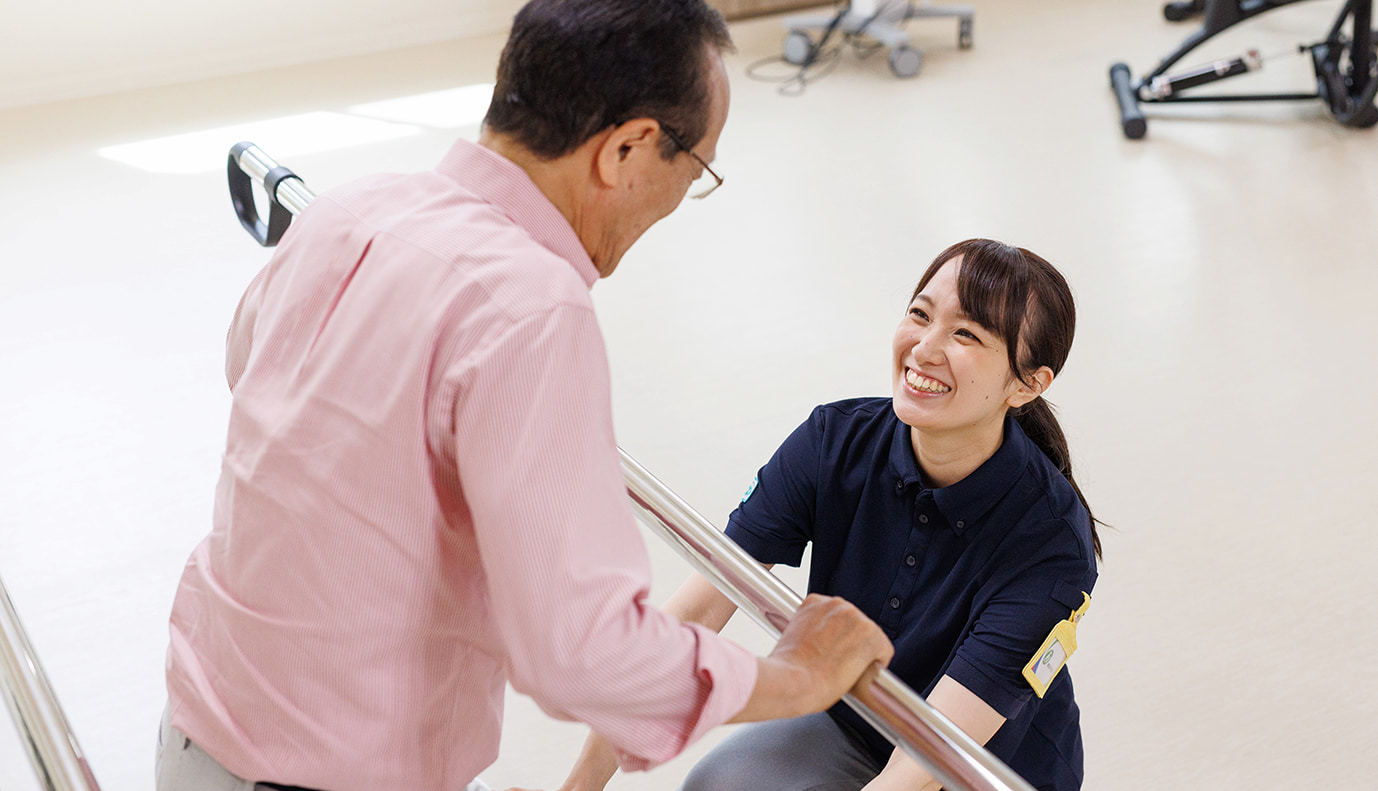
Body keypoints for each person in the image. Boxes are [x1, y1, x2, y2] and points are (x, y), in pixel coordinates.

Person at [155, 1, 894, 790]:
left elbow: (255, 376)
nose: (680, 198)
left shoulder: (350, 209)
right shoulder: (531, 311)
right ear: (630, 147)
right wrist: (794, 675)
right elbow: (581, 649)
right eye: (695, 170)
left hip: (197, 736)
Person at [556, 239, 1103, 791]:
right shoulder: (834, 442)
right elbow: (694, 614)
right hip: (854, 722)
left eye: (966, 335)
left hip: (975, 768)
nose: (924, 349)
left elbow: (924, 766)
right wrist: (580, 786)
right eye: (920, 314)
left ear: (1028, 384)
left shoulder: (1052, 547)